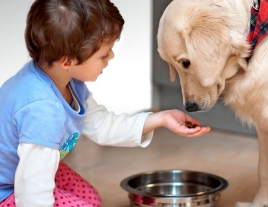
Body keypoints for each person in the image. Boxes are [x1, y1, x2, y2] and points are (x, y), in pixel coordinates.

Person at [0, 0, 211, 206]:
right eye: (102, 54)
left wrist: (161, 118)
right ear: (67, 61)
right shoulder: (42, 110)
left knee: (91, 199)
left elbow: (101, 125)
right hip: (11, 188)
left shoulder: (66, 80)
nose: (110, 56)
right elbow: (31, 191)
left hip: (27, 169)